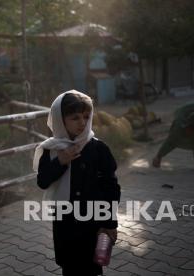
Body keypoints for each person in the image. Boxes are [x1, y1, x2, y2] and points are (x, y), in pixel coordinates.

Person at [33, 90, 121, 276]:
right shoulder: (52, 150)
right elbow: (42, 181)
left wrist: (110, 223)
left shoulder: (98, 149)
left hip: (93, 222)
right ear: (60, 119)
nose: (82, 122)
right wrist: (60, 162)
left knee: (91, 267)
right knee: (70, 267)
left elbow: (111, 187)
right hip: (66, 224)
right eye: (75, 118)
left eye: (86, 116)